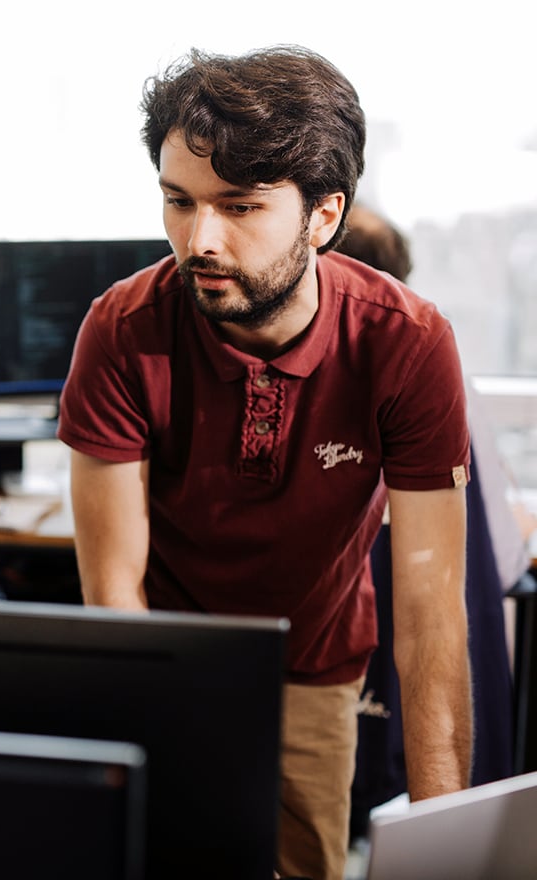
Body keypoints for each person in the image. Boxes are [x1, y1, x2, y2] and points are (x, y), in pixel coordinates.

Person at [57, 46, 472, 880]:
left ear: (323, 217)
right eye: (179, 202)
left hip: (315, 663)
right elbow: (114, 597)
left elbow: (431, 624)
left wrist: (444, 844)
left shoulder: (404, 342)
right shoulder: (124, 327)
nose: (199, 240)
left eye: (240, 207)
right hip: (168, 652)